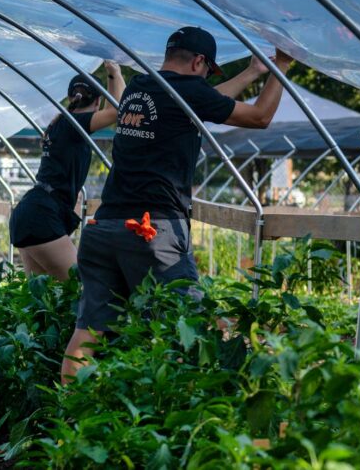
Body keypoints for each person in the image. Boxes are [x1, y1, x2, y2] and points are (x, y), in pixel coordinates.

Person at [61, 27, 291, 382]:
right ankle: (178, 420)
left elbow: (203, 103)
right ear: (199, 61)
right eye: (206, 69)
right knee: (186, 328)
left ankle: (69, 417)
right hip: (152, 231)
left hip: (104, 226)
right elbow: (259, 116)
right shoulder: (187, 92)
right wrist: (283, 68)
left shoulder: (140, 87)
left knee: (89, 331)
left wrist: (251, 73)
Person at [9, 61, 124, 280]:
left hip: (30, 212)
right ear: (98, 101)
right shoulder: (73, 124)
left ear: (72, 98)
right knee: (82, 289)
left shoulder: (61, 123)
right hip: (41, 216)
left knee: (43, 299)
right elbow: (118, 112)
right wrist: (114, 73)